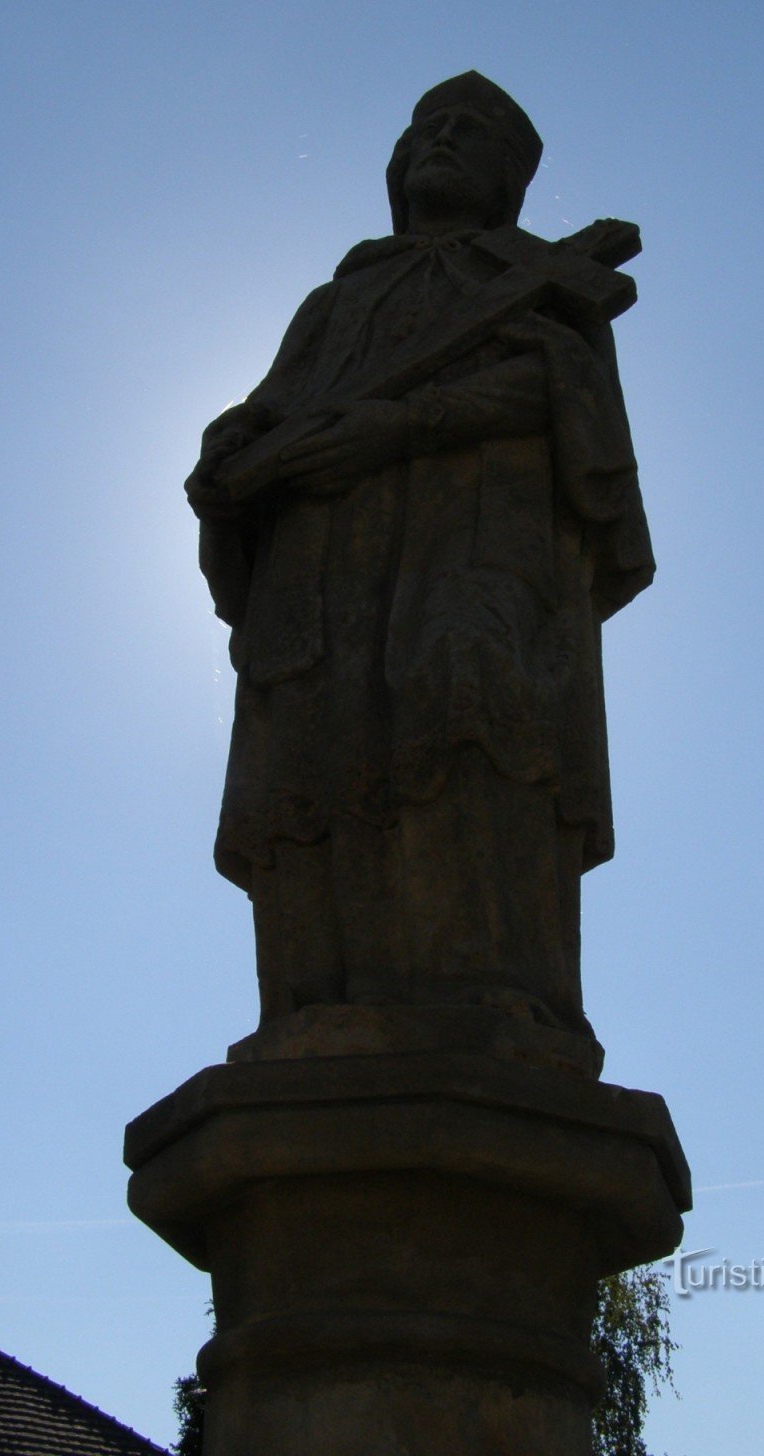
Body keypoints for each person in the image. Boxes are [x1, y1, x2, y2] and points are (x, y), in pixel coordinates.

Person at [186, 73, 652, 1067]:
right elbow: (276, 404)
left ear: (507, 182)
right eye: (425, 130)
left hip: (476, 526)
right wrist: (231, 453)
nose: (440, 142)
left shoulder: (540, 278)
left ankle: (496, 990)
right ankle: (319, 1003)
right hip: (329, 551)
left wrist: (406, 423)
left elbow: (566, 394)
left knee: (469, 690)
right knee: (322, 725)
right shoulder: (341, 297)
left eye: (469, 133)